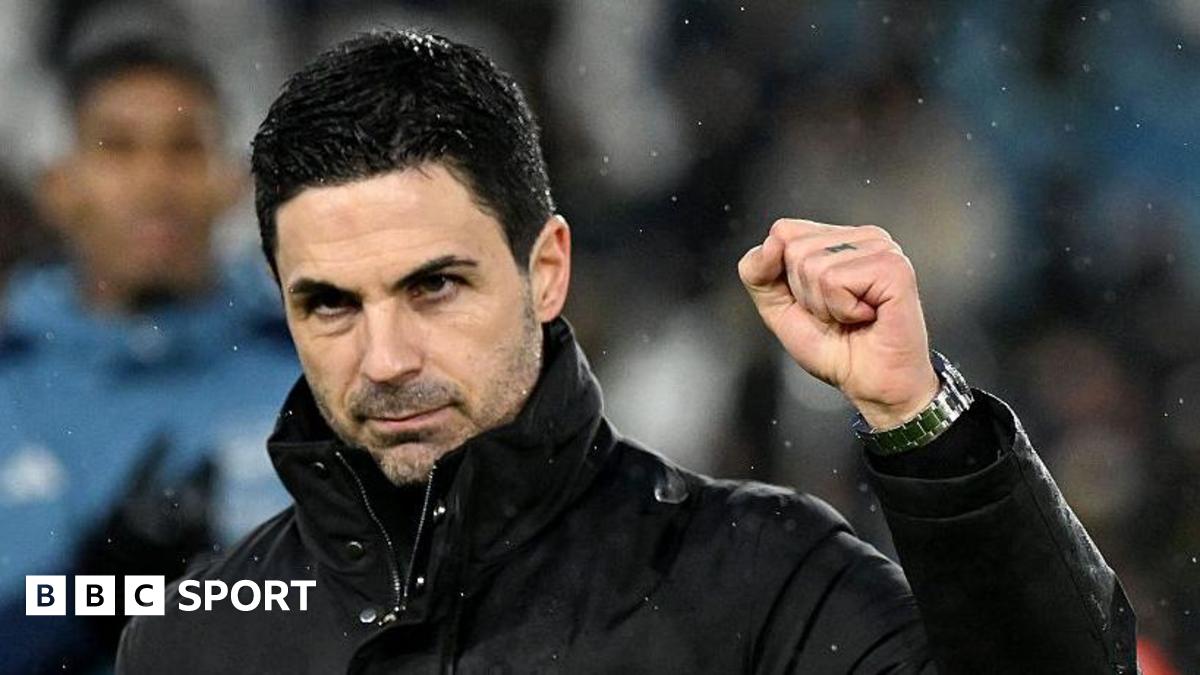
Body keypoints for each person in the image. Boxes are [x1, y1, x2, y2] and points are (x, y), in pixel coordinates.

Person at [116, 31, 1135, 673]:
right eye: (331, 304)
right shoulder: (192, 639)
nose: (383, 358)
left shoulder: (759, 580)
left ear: (547, 270)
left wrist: (919, 418)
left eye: (435, 286)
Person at [0, 38, 298, 672]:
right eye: (117, 148)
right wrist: (93, 595)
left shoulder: (310, 369)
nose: (154, 183)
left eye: (184, 149)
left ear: (230, 182)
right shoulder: (7, 385)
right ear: (58, 184)